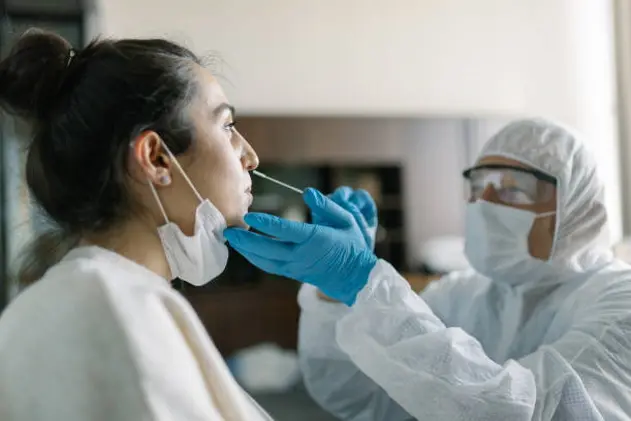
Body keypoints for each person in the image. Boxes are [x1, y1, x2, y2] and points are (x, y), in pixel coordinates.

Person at [225, 119, 631, 420]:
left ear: (576, 210)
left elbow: (529, 411)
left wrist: (362, 279)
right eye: (478, 186)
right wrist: (337, 295)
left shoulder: (621, 304)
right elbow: (359, 397)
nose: (483, 204)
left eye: (510, 188)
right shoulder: (463, 293)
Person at [0, 29, 273, 420]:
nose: (251, 157)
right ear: (156, 158)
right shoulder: (114, 310)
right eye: (227, 126)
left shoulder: (92, 296)